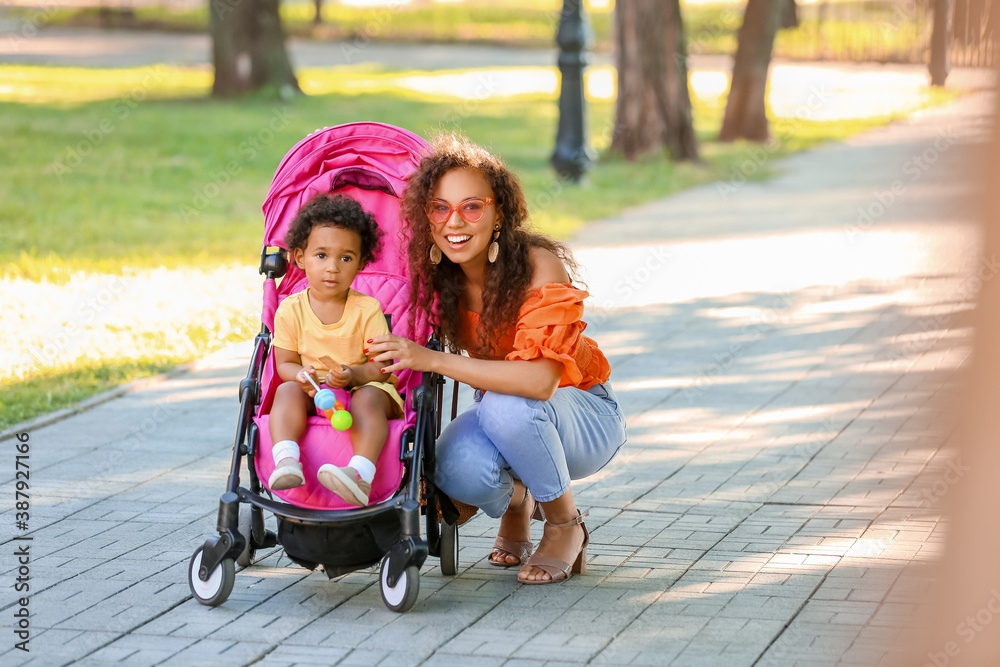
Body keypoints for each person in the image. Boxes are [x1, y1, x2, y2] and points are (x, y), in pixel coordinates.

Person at [367, 134, 627, 584]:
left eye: (472, 206)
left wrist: (431, 359)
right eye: (440, 208)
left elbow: (539, 383)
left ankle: (565, 524)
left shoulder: (538, 264)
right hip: (505, 414)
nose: (455, 221)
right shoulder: (435, 277)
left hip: (582, 413)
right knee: (452, 466)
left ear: (498, 212)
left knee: (508, 406)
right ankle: (517, 501)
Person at [268, 194, 405, 507]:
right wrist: (300, 375)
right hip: (314, 390)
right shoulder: (290, 310)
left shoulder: (367, 309)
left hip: (363, 388)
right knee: (287, 390)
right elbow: (285, 364)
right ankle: (287, 461)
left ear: (360, 263)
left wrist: (353, 374)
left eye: (345, 258)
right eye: (321, 255)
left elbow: (383, 367)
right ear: (300, 258)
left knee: (368, 396)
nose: (332, 268)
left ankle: (359, 475)